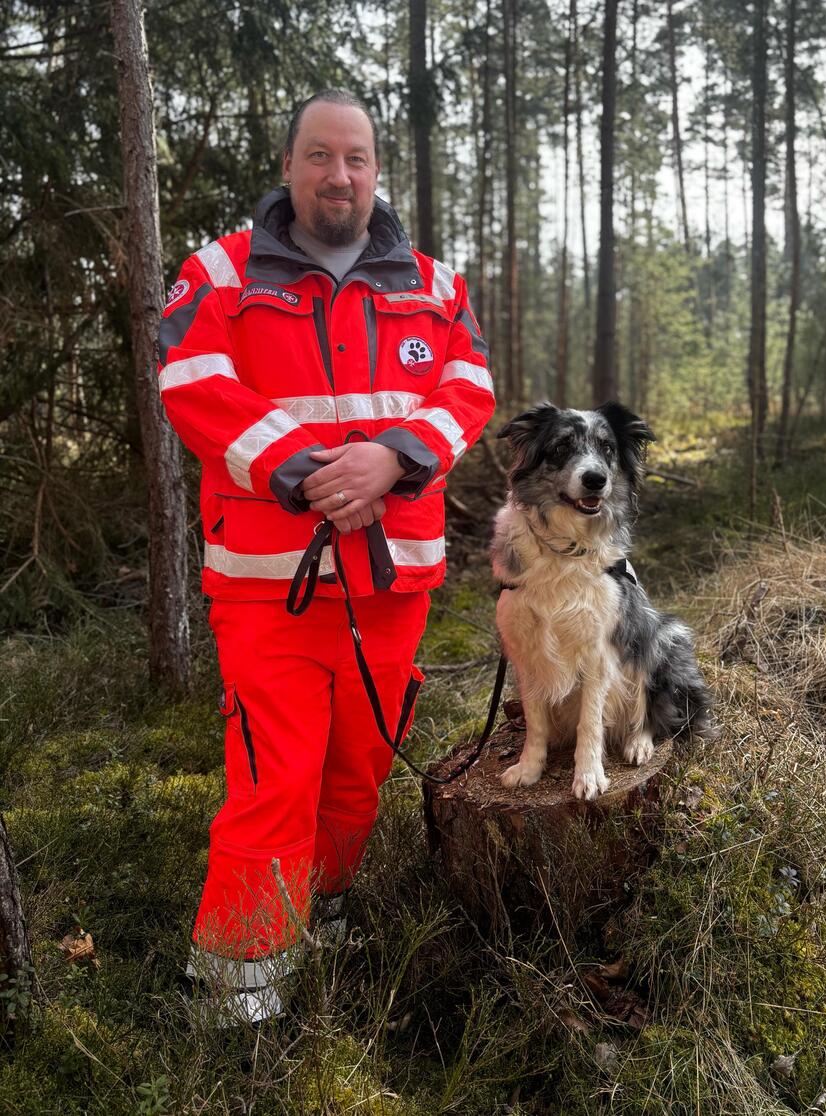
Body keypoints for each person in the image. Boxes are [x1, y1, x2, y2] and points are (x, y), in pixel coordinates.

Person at [157, 89, 495, 1024]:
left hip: (394, 581)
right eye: (318, 155)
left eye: (354, 157)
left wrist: (394, 456)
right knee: (276, 776)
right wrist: (307, 472)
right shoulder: (220, 274)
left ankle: (327, 907)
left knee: (361, 765)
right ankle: (237, 988)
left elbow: (469, 385)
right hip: (272, 586)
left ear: (375, 169)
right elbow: (192, 380)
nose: (337, 174)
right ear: (288, 165)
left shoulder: (433, 283)